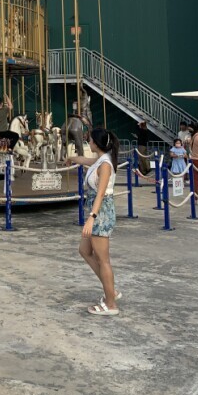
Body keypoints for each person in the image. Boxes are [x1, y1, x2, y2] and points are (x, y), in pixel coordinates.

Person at [64, 127, 120, 316]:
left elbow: (102, 193)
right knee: (85, 250)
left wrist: (91, 218)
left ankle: (111, 303)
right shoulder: (101, 159)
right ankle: (110, 289)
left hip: (101, 212)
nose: (88, 142)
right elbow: (86, 161)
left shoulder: (105, 165)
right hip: (97, 209)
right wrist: (72, 158)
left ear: (96, 143)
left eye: (90, 140)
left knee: (103, 259)